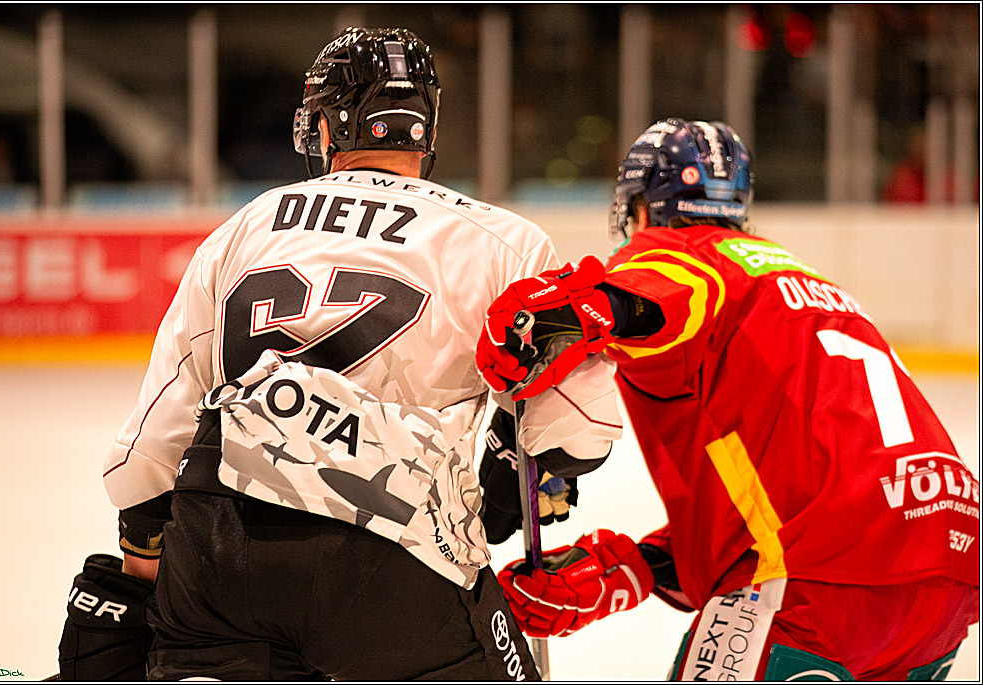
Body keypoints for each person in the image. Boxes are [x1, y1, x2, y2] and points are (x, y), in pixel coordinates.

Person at [56, 27, 622, 681]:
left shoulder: (246, 225)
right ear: (424, 128)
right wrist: (530, 465)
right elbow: (576, 429)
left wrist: (146, 573)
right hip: (396, 555)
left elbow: (149, 451)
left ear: (327, 127)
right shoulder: (505, 241)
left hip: (223, 543)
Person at [476, 118, 980, 681]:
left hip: (813, 584)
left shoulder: (683, 254)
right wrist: (635, 571)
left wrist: (554, 315)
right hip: (947, 568)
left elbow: (644, 301)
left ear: (641, 208)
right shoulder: (805, 282)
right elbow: (800, 496)